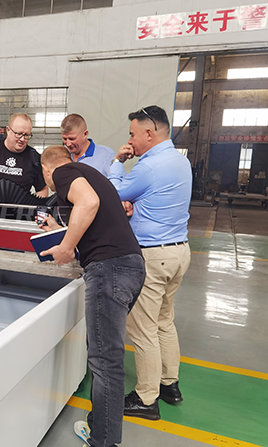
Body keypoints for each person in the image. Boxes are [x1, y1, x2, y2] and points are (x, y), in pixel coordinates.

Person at [38, 145, 145, 447]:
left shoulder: (62, 172)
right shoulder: (90, 173)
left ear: (47, 169)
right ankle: (98, 427)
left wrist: (66, 247)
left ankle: (103, 442)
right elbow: (93, 223)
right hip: (130, 266)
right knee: (105, 354)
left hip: (109, 270)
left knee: (105, 361)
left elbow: (89, 202)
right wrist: (58, 231)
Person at [109, 105, 192, 420]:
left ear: (149, 132)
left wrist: (118, 162)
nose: (130, 140)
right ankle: (169, 385)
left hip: (154, 257)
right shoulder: (180, 161)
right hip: (179, 252)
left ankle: (146, 399)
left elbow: (115, 192)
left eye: (132, 134)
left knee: (142, 328)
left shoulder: (150, 166)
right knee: (164, 321)